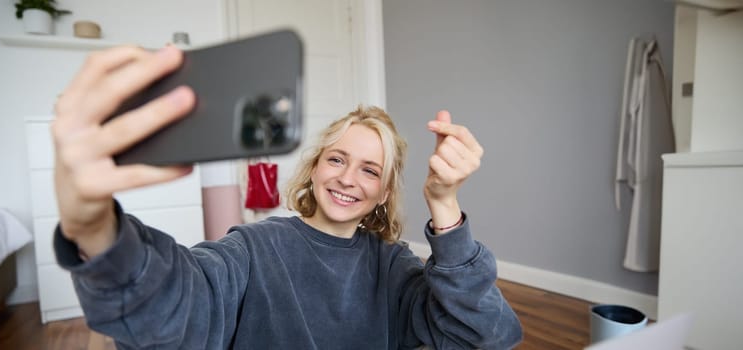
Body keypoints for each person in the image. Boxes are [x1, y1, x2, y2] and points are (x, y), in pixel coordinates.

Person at [51, 45, 522, 349]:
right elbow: (178, 309)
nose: (348, 178)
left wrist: (444, 204)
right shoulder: (254, 248)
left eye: (370, 169)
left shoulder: (394, 266)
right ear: (315, 168)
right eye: (336, 159)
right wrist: (93, 228)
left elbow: (486, 333)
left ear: (383, 193)